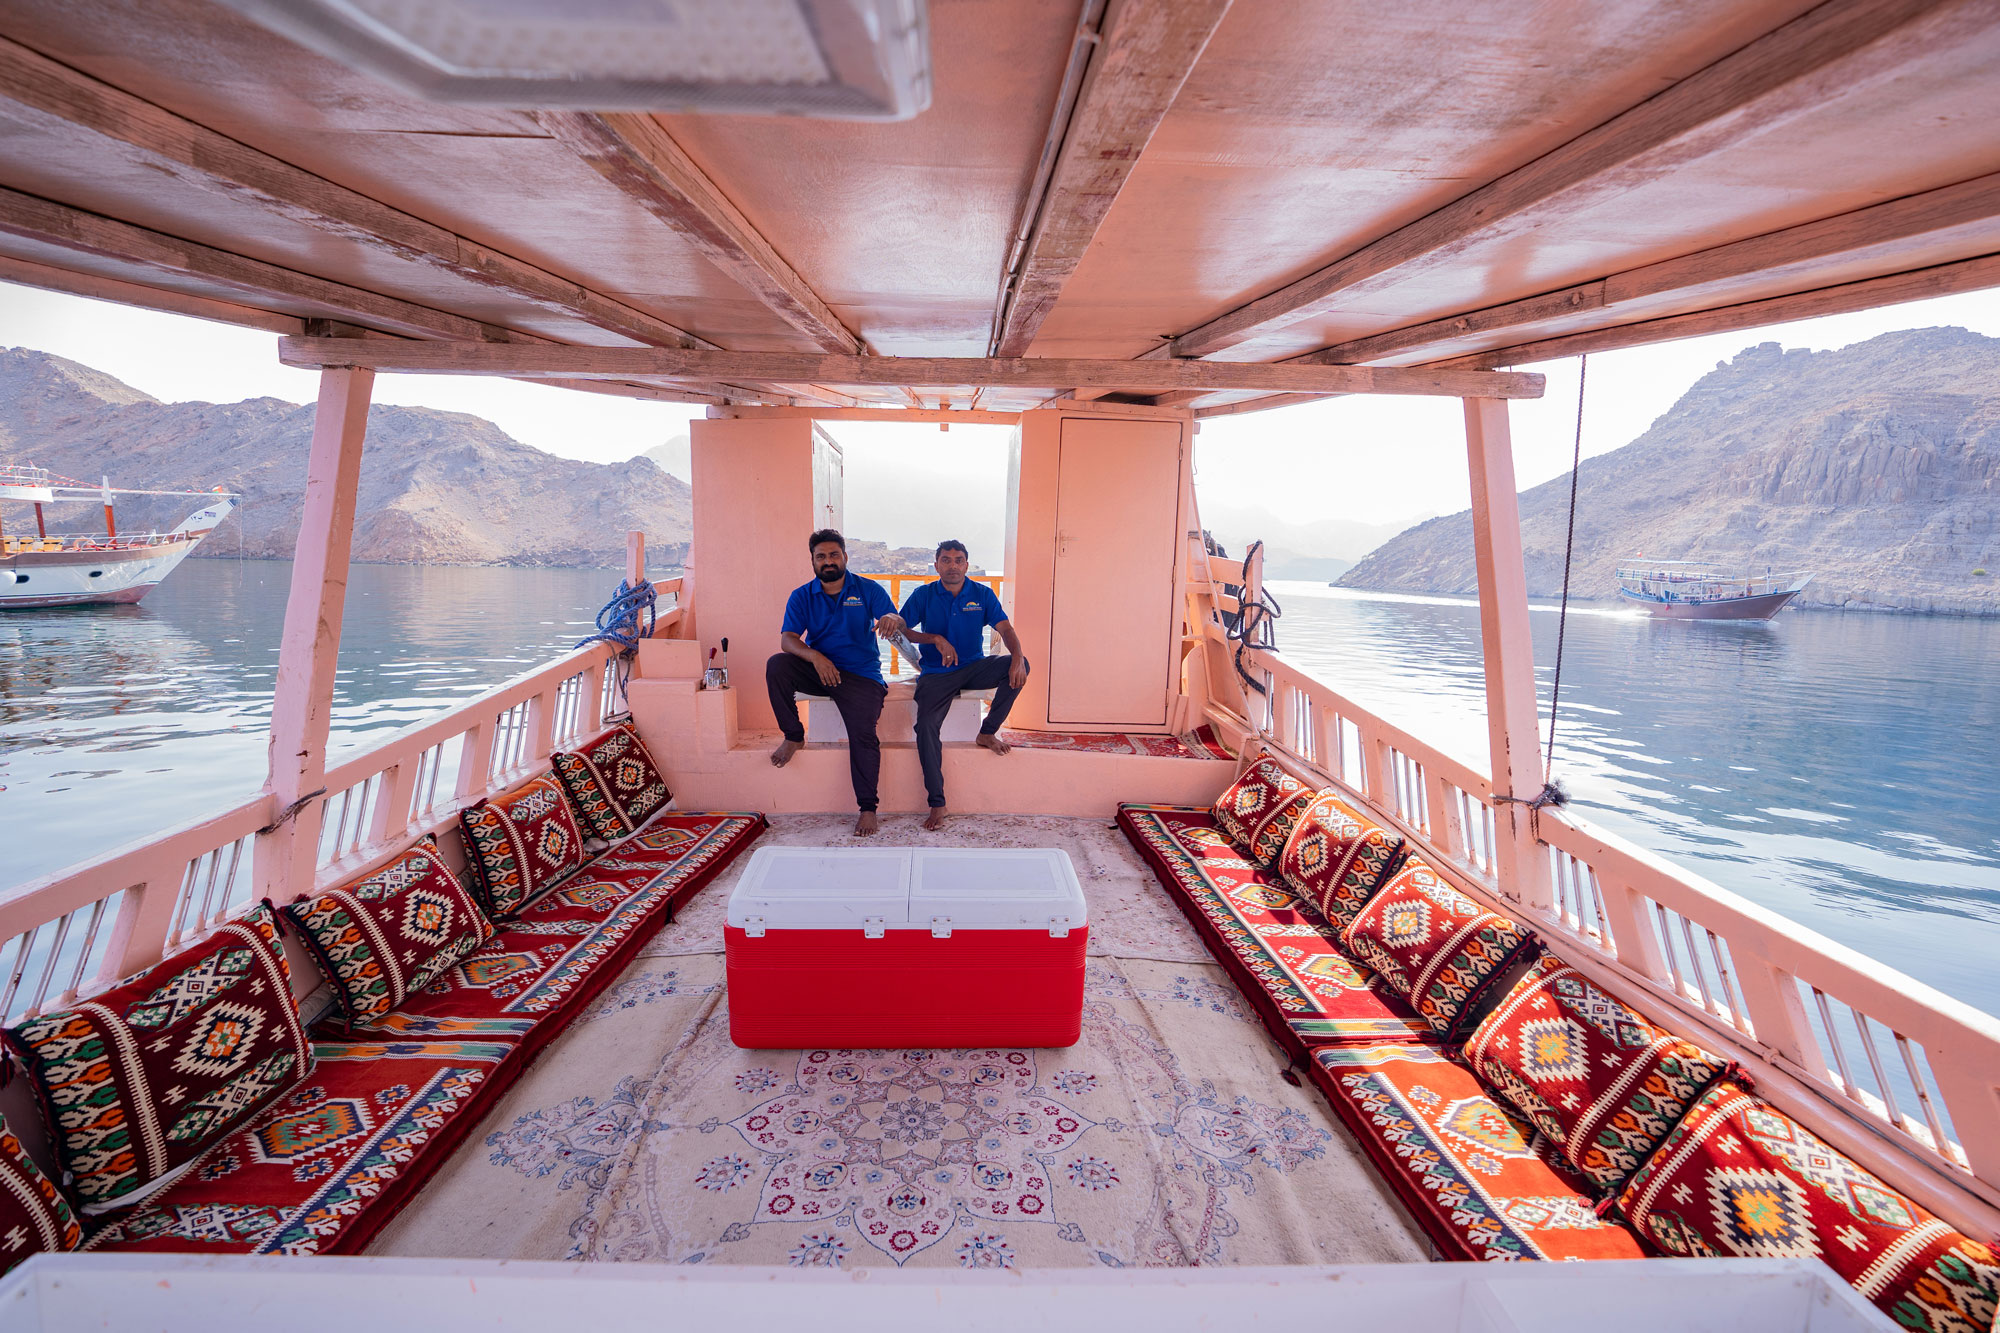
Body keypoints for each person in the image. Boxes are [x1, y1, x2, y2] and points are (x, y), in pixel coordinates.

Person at [766, 529, 906, 835]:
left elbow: (894, 618)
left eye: (834, 555)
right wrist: (815, 657)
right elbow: (788, 639)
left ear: (845, 557)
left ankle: (867, 808)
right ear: (813, 561)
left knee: (863, 735)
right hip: (821, 670)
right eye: (821, 556)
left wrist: (892, 619)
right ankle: (793, 736)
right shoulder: (802, 595)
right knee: (777, 665)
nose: (828, 561)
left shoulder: (867, 589)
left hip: (861, 676)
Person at [897, 540, 1030, 830]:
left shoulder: (982, 594)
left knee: (1021, 665)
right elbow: (902, 628)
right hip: (936, 673)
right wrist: (935, 638)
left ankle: (987, 732)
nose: (953, 566)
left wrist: (1018, 657)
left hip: (973, 667)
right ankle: (937, 803)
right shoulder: (924, 594)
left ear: (966, 565)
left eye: (958, 560)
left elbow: (1005, 628)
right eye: (946, 560)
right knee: (926, 728)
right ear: (937, 565)